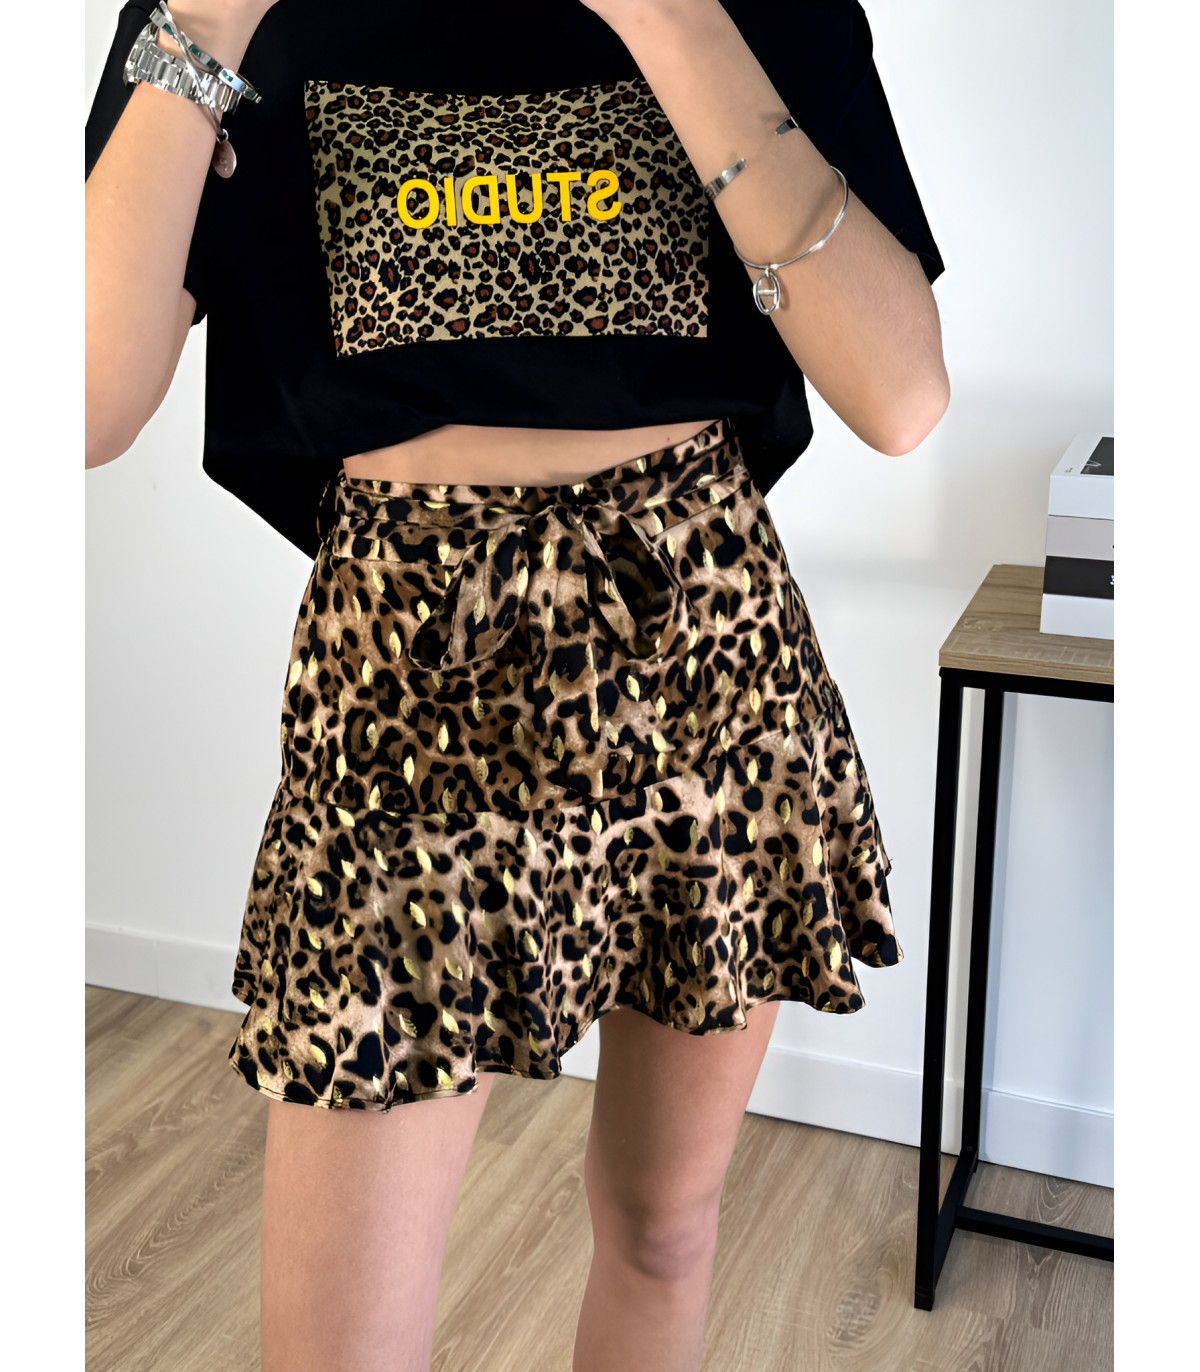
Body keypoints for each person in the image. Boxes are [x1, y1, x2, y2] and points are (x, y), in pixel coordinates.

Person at [85, 1, 949, 1368]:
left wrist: (669, 18)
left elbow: (902, 396)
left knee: (664, 1227)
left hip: (704, 655)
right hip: (401, 691)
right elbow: (81, 401)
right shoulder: (227, 17)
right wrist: (208, 19)